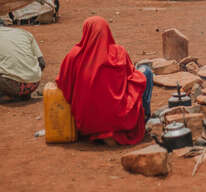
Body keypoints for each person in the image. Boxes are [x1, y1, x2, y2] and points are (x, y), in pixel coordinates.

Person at [56, 16, 153, 145]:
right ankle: (144, 118)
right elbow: (132, 78)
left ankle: (101, 132)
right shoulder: (119, 52)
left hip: (87, 124)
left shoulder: (73, 55)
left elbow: (63, 82)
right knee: (145, 72)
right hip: (120, 120)